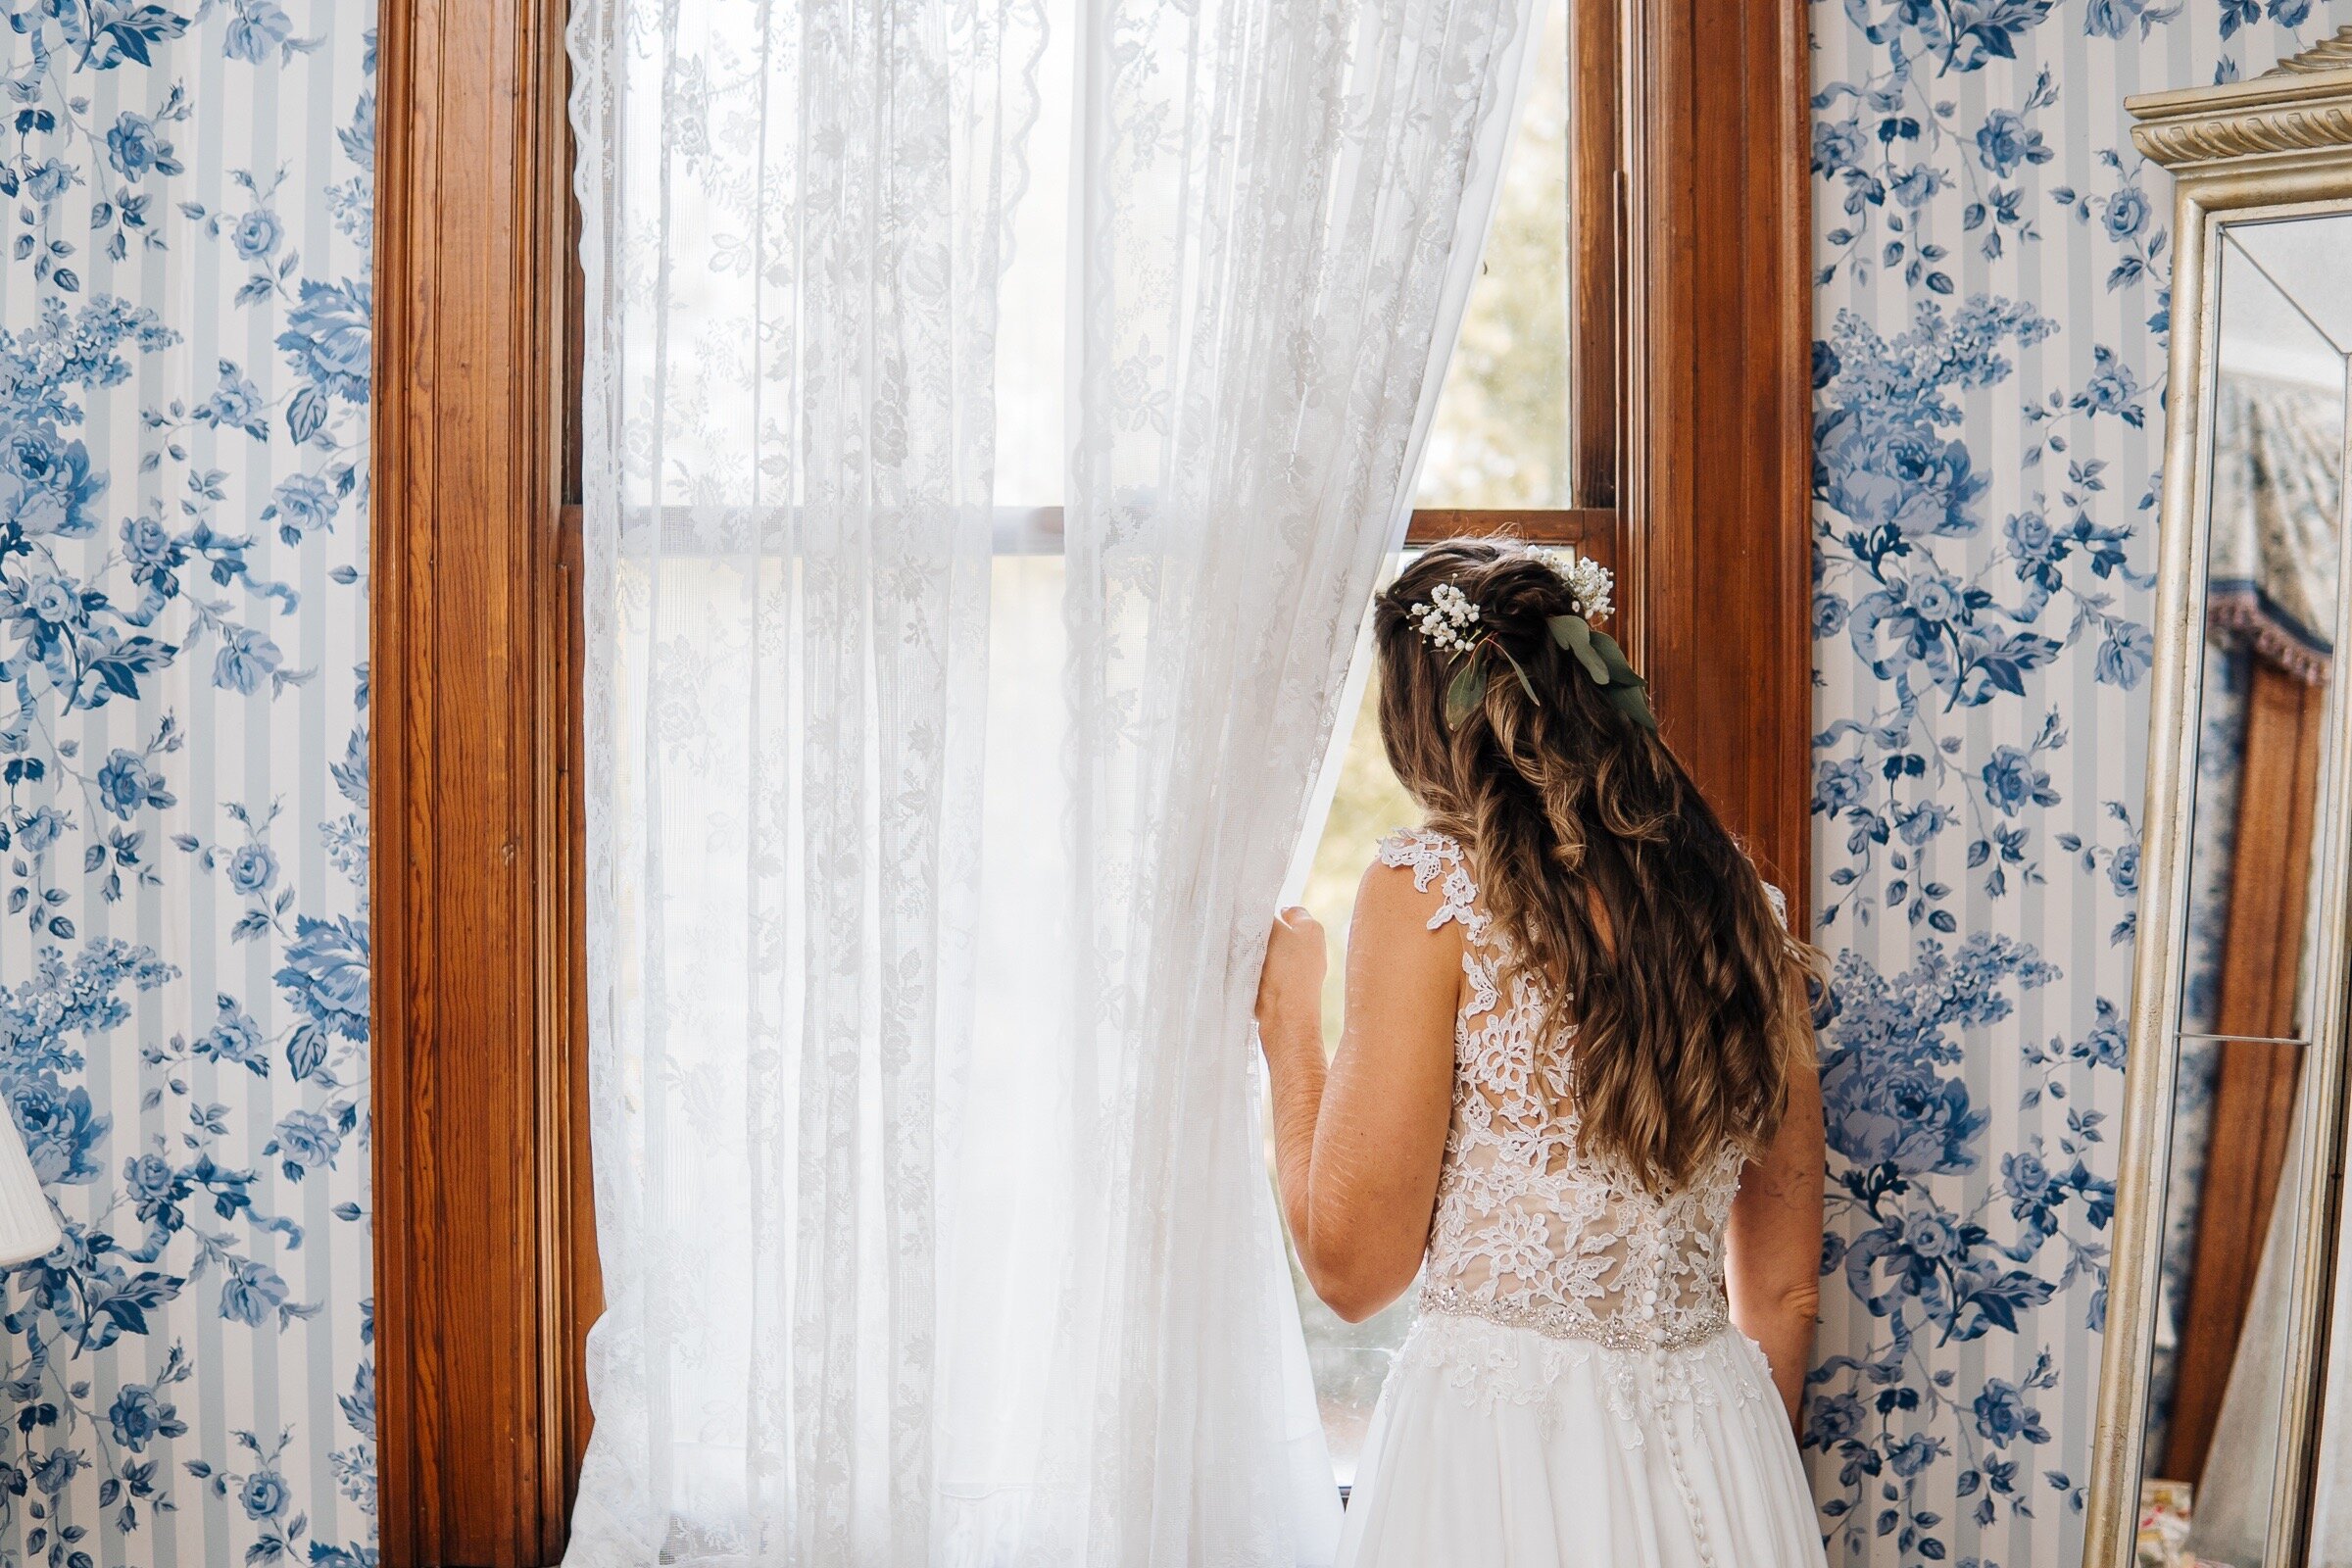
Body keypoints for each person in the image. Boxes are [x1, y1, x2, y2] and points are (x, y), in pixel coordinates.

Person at [1255, 539, 1827, 1568]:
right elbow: (1785, 1296)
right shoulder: (1744, 907)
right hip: (1725, 1447)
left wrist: (1289, 1030)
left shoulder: (1433, 890)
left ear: (1424, 724)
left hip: (1502, 1458)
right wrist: (1735, 1487)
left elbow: (1351, 1270)